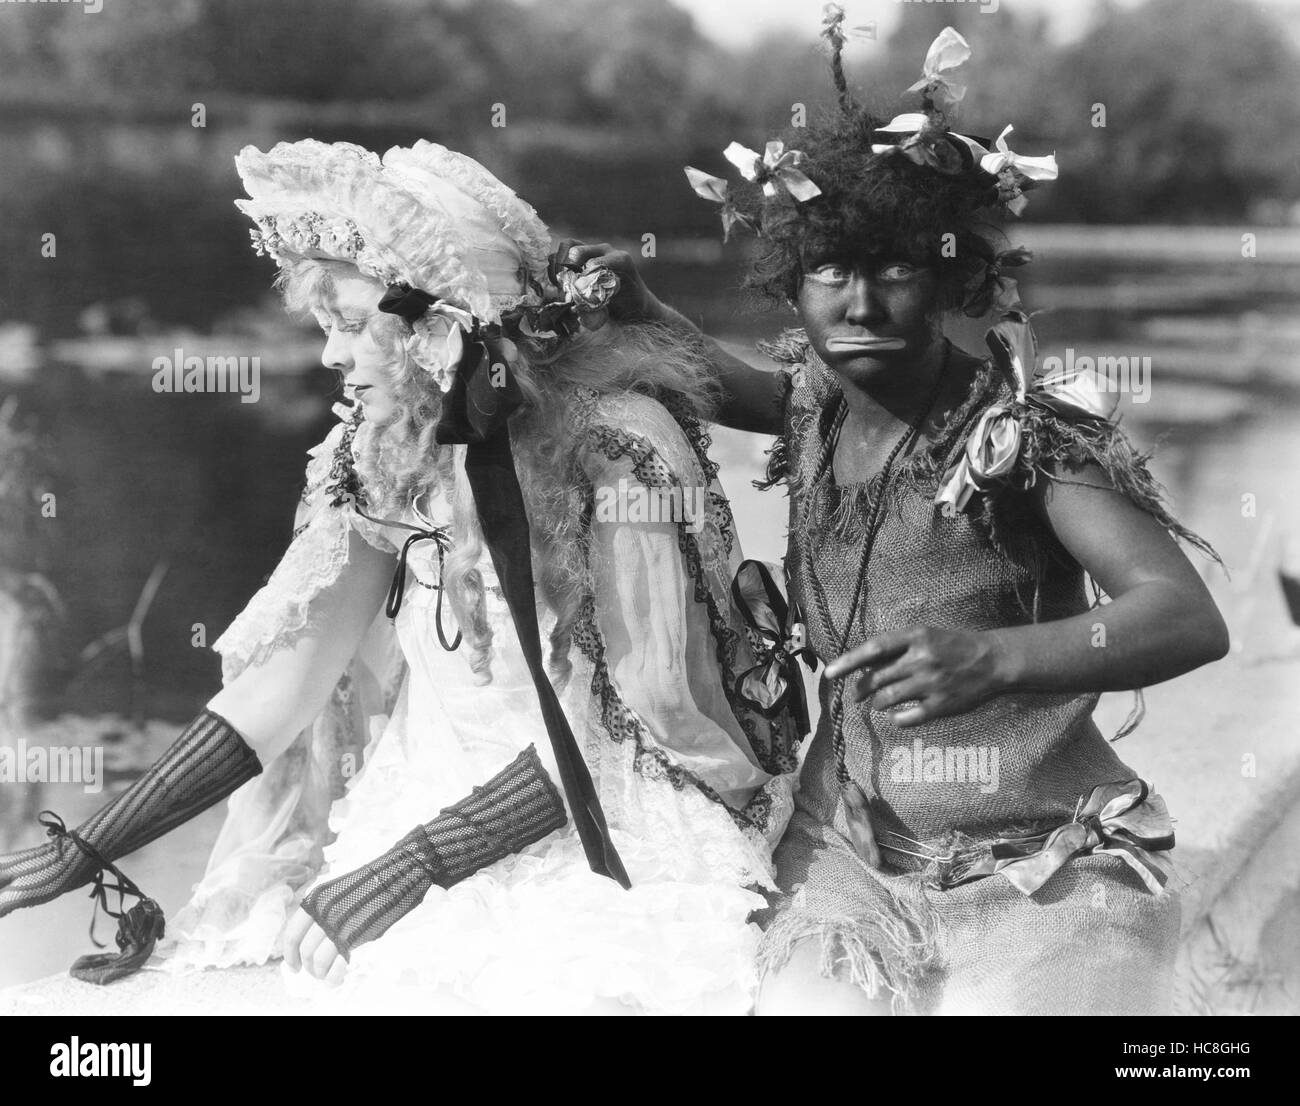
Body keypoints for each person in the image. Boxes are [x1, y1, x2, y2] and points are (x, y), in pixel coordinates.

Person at [0, 139, 803, 1015]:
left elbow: (619, 735)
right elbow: (283, 689)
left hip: (607, 821)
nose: (331, 358)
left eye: (351, 325)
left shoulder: (616, 451)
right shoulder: (377, 450)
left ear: (441, 328)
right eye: (328, 327)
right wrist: (89, 842)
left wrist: (418, 866)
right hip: (415, 800)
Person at [562, 22, 1228, 1015]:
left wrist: (995, 656)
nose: (861, 302)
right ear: (791, 281)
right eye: (830, 270)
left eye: (896, 270)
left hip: (1045, 868)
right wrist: (638, 303)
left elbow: (1183, 615)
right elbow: (720, 382)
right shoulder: (812, 406)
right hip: (848, 862)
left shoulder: (1025, 444)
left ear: (953, 280)